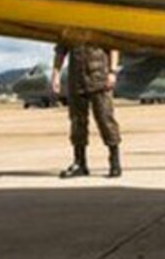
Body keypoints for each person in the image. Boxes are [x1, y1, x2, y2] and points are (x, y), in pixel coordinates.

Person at [53, 43, 123, 179]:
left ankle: (115, 162)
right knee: (77, 122)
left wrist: (112, 72)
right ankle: (80, 163)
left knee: (105, 119)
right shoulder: (68, 27)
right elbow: (60, 51)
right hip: (76, 80)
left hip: (99, 78)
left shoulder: (98, 22)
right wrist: (56, 74)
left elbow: (113, 46)